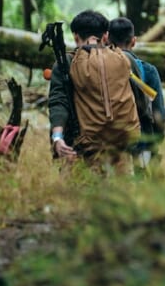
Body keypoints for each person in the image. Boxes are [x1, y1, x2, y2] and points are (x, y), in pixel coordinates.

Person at [48, 10, 141, 174]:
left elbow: (58, 101)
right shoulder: (125, 59)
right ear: (105, 36)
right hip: (121, 148)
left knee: (80, 189)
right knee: (122, 189)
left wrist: (57, 137)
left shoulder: (66, 63)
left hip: (80, 150)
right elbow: (141, 101)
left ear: (76, 37)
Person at [107, 17, 165, 172]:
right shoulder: (148, 70)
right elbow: (159, 113)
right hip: (142, 143)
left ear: (107, 40)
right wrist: (155, 140)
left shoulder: (100, 69)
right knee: (141, 183)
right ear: (133, 41)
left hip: (109, 145)